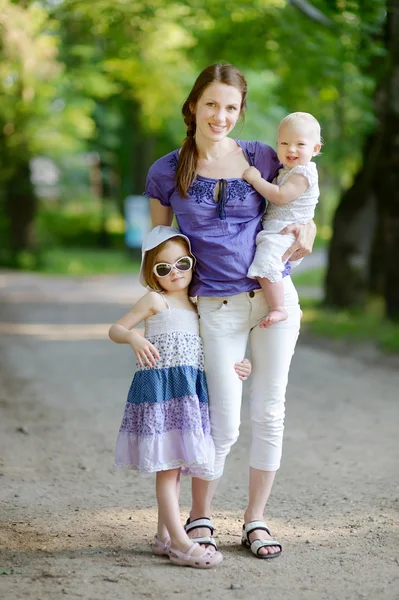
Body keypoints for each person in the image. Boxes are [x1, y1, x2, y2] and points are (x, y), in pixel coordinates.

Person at [145, 63, 316, 559]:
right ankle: (200, 517)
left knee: (269, 411)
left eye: (232, 107)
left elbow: (296, 207)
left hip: (272, 297)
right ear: (194, 105)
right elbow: (160, 249)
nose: (221, 115)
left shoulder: (263, 155)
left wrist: (310, 231)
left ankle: (255, 520)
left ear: (241, 113)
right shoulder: (165, 169)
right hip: (215, 307)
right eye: (212, 104)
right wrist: (162, 315)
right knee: (221, 421)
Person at [109, 225, 251, 569]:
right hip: (161, 390)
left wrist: (238, 364)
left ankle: (163, 537)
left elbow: (211, 346)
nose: (175, 272)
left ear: (193, 264)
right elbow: (116, 328)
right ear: (151, 273)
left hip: (188, 393)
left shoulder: (197, 303)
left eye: (182, 264)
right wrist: (135, 339)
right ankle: (181, 543)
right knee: (168, 468)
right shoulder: (154, 300)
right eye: (163, 267)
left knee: (176, 465)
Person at [243, 112, 321, 327]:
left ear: (315, 149)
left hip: (286, 231)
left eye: (300, 144)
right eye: (284, 143)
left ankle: (279, 308)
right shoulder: (289, 170)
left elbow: (279, 195)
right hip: (279, 229)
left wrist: (255, 179)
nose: (291, 149)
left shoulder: (302, 174)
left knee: (265, 263)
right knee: (267, 262)